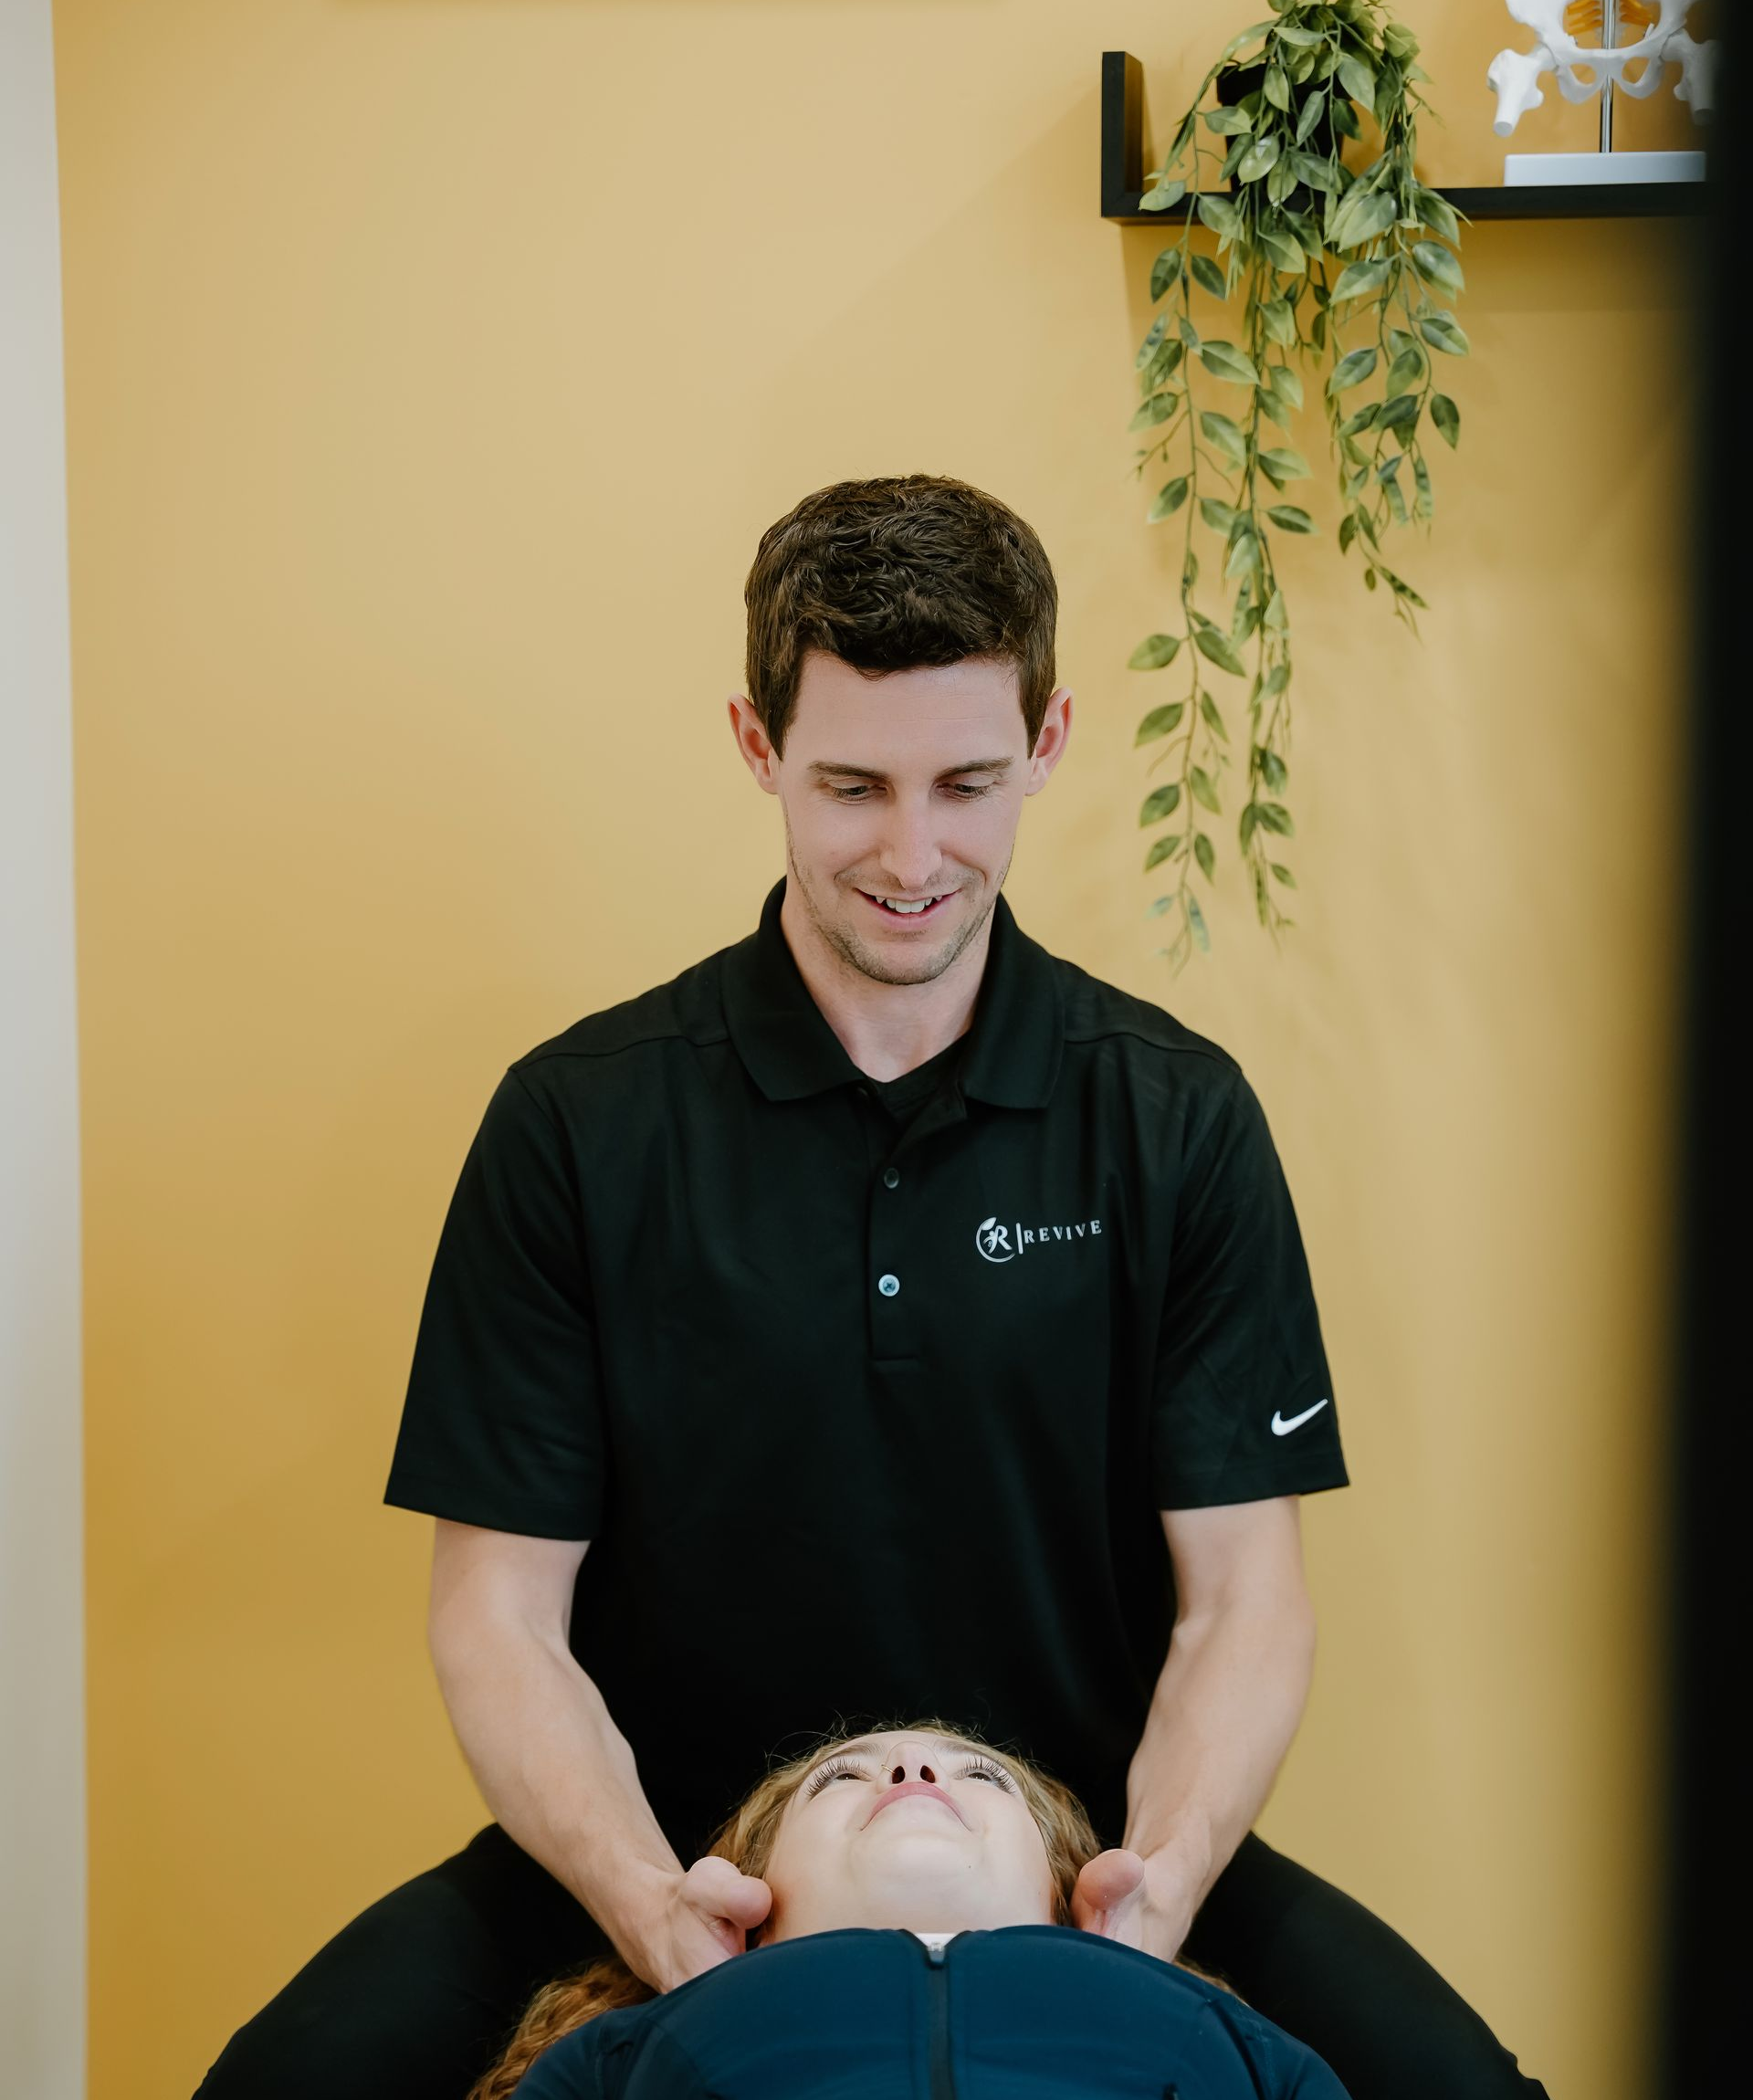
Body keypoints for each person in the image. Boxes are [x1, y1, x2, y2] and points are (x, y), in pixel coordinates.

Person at [196, 474, 1545, 2100]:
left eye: (969, 783)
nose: (913, 855)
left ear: (1049, 743)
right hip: (677, 1846)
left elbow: (1244, 1601)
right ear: (758, 748)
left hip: (1082, 1847)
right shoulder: (580, 1121)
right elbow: (497, 1617)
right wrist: (650, 1910)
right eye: (851, 786)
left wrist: (1158, 1892)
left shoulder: (1175, 1119)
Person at [469, 1721, 1349, 2100]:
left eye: (981, 1775)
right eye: (840, 1777)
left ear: (1066, 1892)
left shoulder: (1203, 2022)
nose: (912, 1773)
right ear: (750, 1907)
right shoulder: (654, 2037)